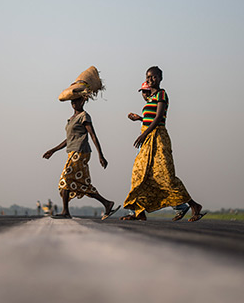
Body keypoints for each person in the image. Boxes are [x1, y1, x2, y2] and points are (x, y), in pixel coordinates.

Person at [121, 66, 205, 222]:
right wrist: (140, 119)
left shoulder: (161, 94)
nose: (150, 79)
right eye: (148, 77)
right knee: (139, 173)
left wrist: (144, 133)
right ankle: (138, 212)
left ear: (160, 78)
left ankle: (194, 206)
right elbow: (150, 118)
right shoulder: (150, 99)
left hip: (158, 138)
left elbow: (159, 117)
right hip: (147, 141)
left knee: (165, 175)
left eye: (153, 77)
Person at [42, 66, 119, 219]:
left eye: (77, 101)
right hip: (73, 151)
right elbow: (68, 140)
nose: (74, 104)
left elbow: (93, 136)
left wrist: (101, 155)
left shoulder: (84, 116)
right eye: (72, 102)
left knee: (65, 179)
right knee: (82, 184)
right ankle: (107, 203)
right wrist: (53, 150)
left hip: (80, 153)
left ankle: (65, 212)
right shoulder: (71, 119)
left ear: (83, 100)